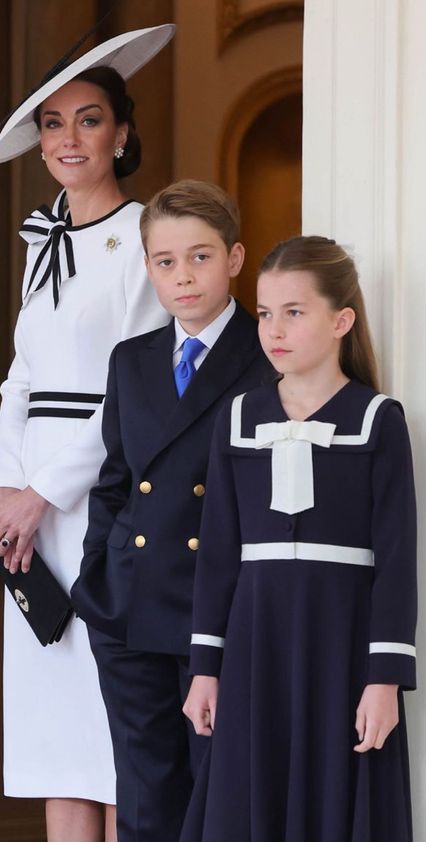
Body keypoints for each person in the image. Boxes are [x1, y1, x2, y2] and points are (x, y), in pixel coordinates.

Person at [0, 25, 174, 842]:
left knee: (112, 737)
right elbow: (21, 375)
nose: (69, 138)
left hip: (98, 504)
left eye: (89, 119)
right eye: (53, 123)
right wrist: (4, 490)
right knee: (55, 742)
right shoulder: (39, 244)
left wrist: (43, 492)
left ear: (122, 133)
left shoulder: (146, 241)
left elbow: (133, 395)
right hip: (25, 519)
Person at [182, 235, 417, 842]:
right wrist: (206, 668)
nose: (273, 329)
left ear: (341, 321)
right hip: (254, 648)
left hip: (342, 650)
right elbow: (217, 557)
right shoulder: (237, 419)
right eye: (264, 313)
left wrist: (384, 680)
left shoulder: (377, 421)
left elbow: (396, 561)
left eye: (294, 312)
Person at [70, 179, 274, 842]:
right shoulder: (132, 361)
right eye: (165, 261)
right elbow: (115, 482)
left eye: (200, 256)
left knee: (221, 797)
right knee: (145, 798)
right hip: (129, 610)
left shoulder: (269, 355)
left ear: (236, 259)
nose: (182, 276)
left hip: (221, 613)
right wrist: (96, 578)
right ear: (148, 267)